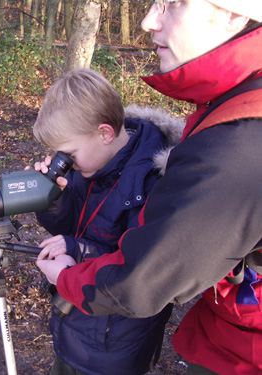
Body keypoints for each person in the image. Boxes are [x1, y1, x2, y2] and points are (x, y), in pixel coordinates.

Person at [36, 1, 262, 374]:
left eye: (173, 3)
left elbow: (140, 279)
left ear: (233, 12)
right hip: (226, 334)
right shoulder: (227, 110)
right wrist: (53, 201)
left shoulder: (237, 142)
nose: (147, 20)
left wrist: (65, 275)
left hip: (230, 350)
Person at [32, 68, 184, 375]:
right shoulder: (89, 166)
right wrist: (53, 199)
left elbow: (138, 268)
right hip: (75, 320)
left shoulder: (153, 181)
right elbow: (68, 225)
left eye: (70, 153)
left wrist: (76, 248)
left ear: (104, 133)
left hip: (115, 343)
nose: (66, 162)